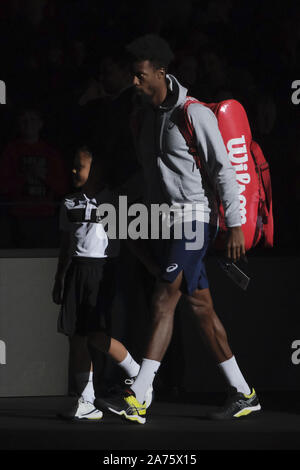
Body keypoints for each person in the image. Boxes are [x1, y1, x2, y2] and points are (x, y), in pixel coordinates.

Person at [95, 34, 261, 424]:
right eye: (132, 76)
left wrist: (235, 225)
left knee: (163, 298)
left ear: (161, 73)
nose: (134, 82)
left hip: (195, 219)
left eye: (140, 75)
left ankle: (139, 394)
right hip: (166, 223)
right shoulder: (144, 119)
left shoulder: (193, 113)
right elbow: (152, 176)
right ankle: (243, 391)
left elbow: (224, 172)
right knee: (201, 307)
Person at [52, 145, 152, 420]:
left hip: (101, 273)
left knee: (96, 336)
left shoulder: (111, 202)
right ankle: (86, 402)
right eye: (73, 165)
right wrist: (60, 278)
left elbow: (129, 241)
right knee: (76, 339)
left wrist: (150, 266)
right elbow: (66, 245)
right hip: (76, 273)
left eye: (79, 166)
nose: (74, 170)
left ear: (96, 171)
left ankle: (139, 375)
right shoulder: (69, 203)